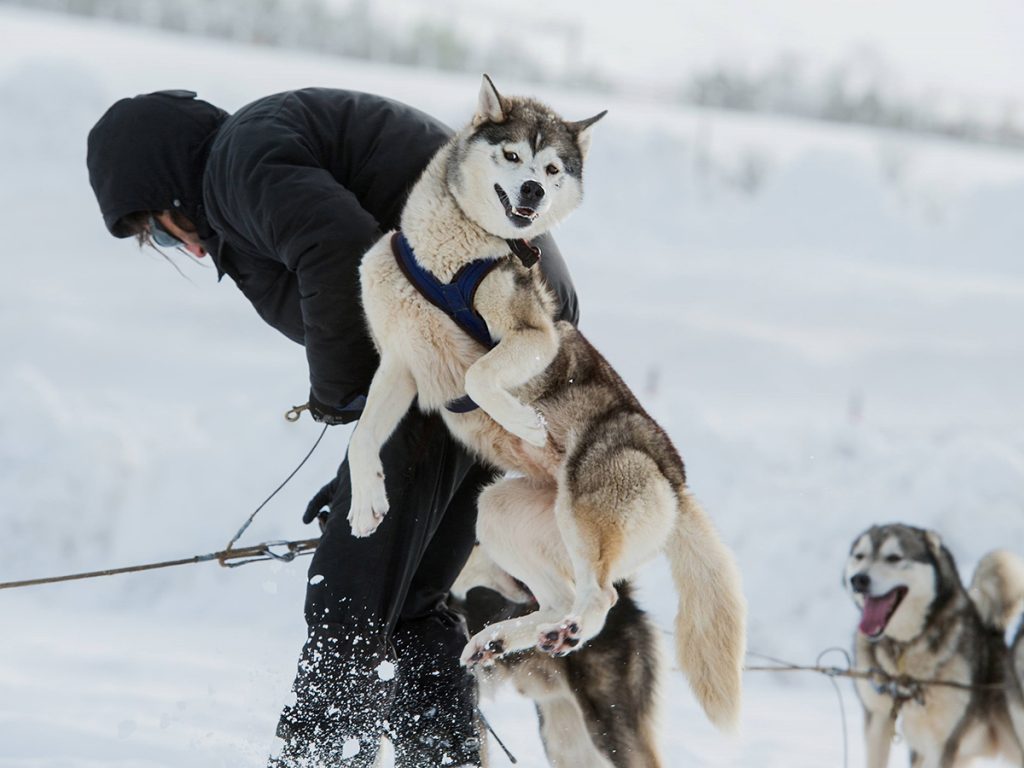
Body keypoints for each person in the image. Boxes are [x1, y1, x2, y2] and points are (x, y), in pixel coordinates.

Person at [85, 88, 578, 767]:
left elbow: (339, 248)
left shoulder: (238, 163)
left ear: (168, 182)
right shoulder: (258, 158)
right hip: (510, 361)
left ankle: (320, 758)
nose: (181, 247)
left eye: (160, 227)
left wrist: (347, 405)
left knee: (347, 603)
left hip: (461, 350)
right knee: (411, 602)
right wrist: (359, 463)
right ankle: (439, 758)